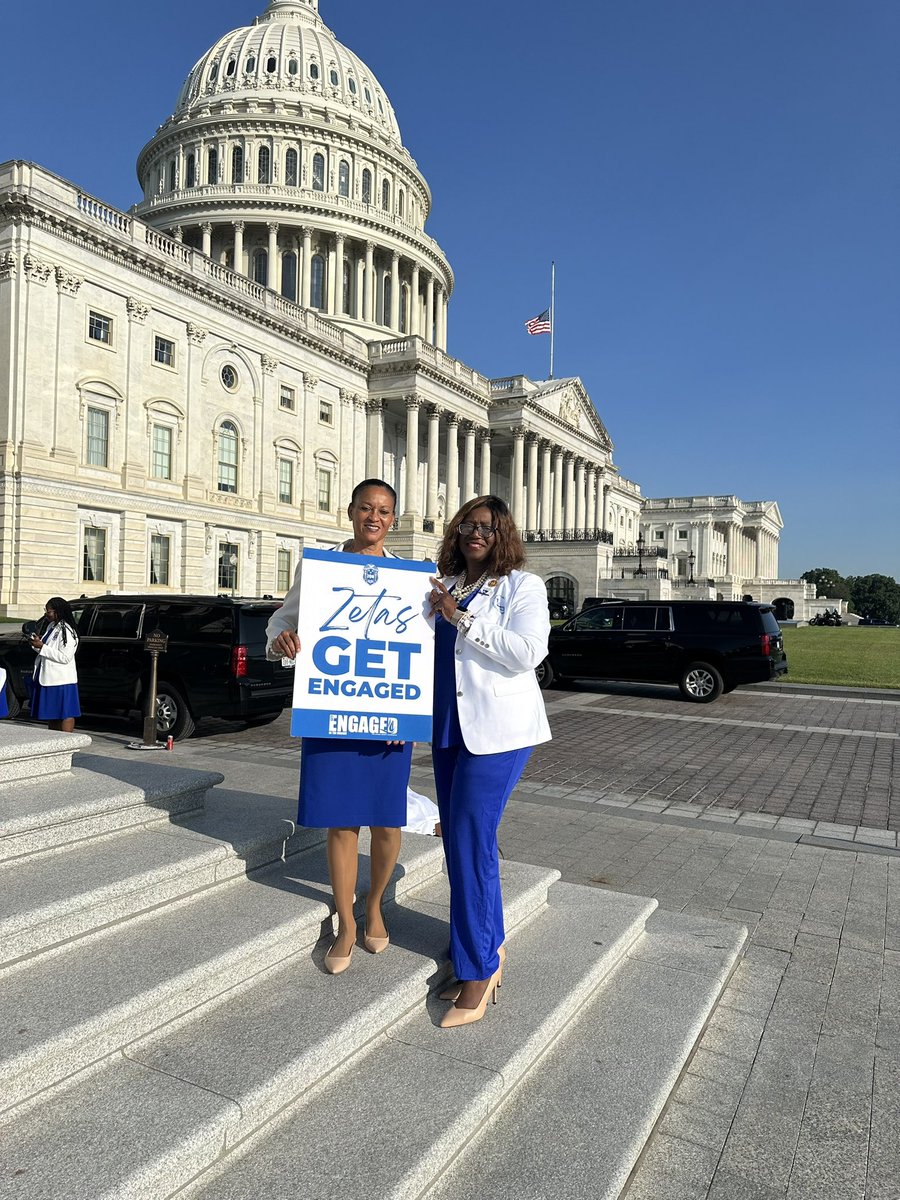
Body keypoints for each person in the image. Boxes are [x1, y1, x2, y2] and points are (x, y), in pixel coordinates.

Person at [266, 479, 414, 974]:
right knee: (342, 819)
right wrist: (283, 638)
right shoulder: (322, 567)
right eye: (367, 508)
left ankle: (375, 905)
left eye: (385, 511)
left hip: (387, 715)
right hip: (333, 710)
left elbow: (421, 651)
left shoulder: (409, 577)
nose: (375, 517)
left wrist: (408, 715)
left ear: (393, 519)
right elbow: (280, 620)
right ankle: (347, 922)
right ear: (350, 511)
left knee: (388, 821)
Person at [428, 495, 551, 1028]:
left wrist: (462, 619)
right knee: (459, 841)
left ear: (503, 535)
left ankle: (478, 969)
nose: (475, 534)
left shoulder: (523, 586)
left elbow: (527, 653)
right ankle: (482, 944)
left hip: (499, 731)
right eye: (467, 526)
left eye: (487, 527)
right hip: (448, 727)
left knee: (470, 838)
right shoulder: (442, 584)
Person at [30, 597, 81, 732]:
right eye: (46, 611)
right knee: (52, 714)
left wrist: (43, 647)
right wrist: (37, 645)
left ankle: (66, 743)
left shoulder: (68, 632)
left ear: (58, 612)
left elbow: (65, 657)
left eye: (49, 611)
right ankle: (54, 742)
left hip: (62, 681)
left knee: (65, 714)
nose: (46, 614)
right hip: (48, 678)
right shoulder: (51, 626)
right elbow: (46, 648)